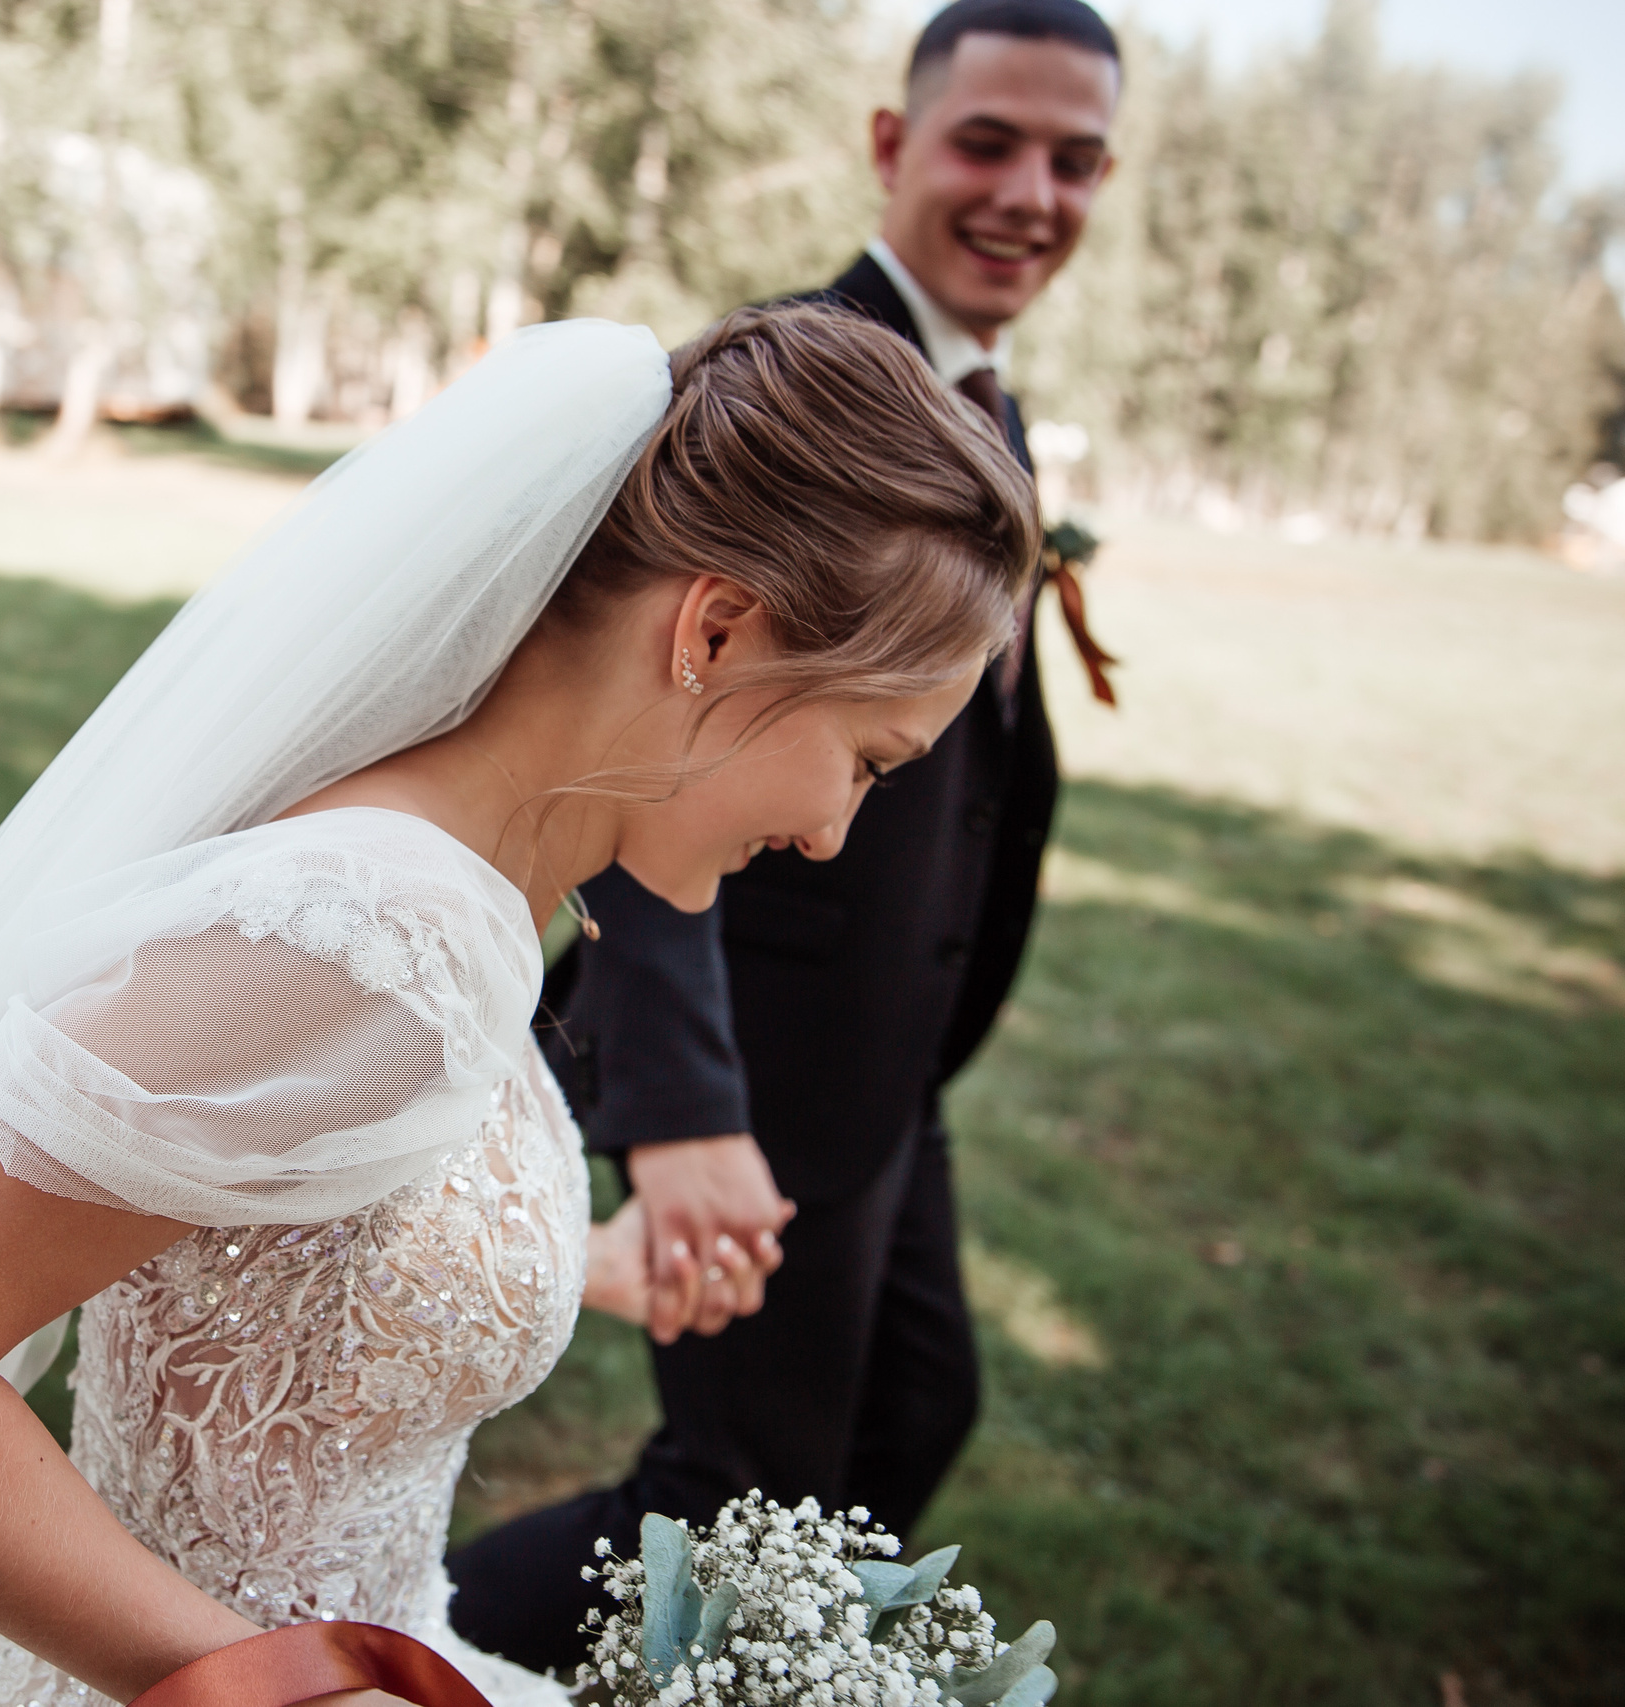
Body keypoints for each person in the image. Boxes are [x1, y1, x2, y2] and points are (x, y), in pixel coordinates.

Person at [0, 305, 1037, 1707]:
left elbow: (291, 1223)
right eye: (868, 759)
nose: (836, 833)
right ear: (711, 629)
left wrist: (581, 1264)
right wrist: (286, 1690)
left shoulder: (473, 899)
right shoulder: (362, 937)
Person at [446, 0, 1123, 1675]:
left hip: (891, 1058)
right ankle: (380, 1643)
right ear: (894, 147)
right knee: (736, 1485)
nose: (1032, 189)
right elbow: (640, 718)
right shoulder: (810, 386)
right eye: (990, 140)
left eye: (1077, 158)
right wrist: (676, 1108)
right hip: (751, 1058)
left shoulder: (989, 406)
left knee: (910, 1406)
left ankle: (760, 1668)